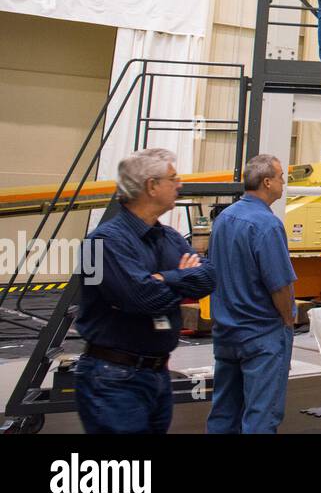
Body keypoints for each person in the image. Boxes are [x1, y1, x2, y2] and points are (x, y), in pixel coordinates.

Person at [73, 149, 215, 433]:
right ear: (151, 186)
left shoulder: (169, 236)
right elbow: (142, 298)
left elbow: (209, 277)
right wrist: (183, 277)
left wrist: (164, 278)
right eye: (173, 178)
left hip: (156, 375)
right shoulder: (102, 242)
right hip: (113, 378)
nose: (180, 185)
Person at [206, 154, 297, 434]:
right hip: (260, 335)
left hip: (226, 331)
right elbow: (280, 285)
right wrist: (287, 318)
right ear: (267, 182)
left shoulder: (223, 220)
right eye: (281, 177)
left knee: (224, 412)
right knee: (261, 415)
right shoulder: (267, 225)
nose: (283, 183)